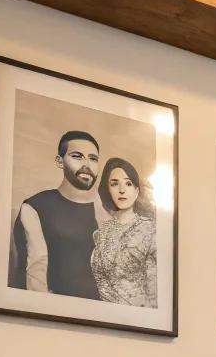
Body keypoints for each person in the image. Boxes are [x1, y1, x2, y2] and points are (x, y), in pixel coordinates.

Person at [9, 130, 102, 298]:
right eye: (77, 156)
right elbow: (34, 273)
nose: (87, 164)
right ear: (60, 161)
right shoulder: (36, 207)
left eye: (93, 158)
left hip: (105, 318)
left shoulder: (107, 211)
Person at [90, 157, 158, 308]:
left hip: (137, 320)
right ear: (107, 189)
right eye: (114, 184)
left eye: (128, 183)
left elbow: (154, 295)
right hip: (103, 318)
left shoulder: (150, 230)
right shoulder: (100, 233)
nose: (122, 190)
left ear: (136, 190)